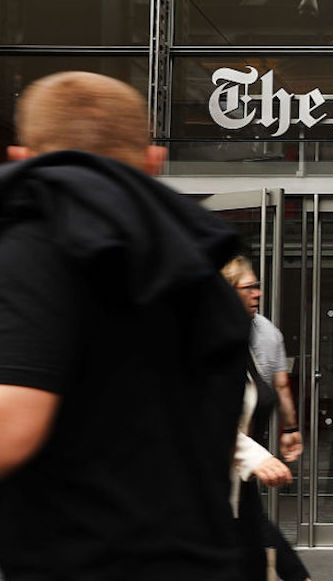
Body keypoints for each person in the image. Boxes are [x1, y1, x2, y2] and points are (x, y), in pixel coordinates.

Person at [0, 72, 248, 579]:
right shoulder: (207, 278)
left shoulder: (37, 248)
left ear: (21, 157)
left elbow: (11, 425)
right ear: (154, 161)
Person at [222, 256, 309, 581]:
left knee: (256, 550)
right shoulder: (206, 343)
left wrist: (290, 428)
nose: (257, 293)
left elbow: (278, 386)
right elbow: (203, 416)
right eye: (248, 287)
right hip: (210, 482)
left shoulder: (256, 335)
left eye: (257, 286)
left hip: (239, 477)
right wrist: (255, 456)